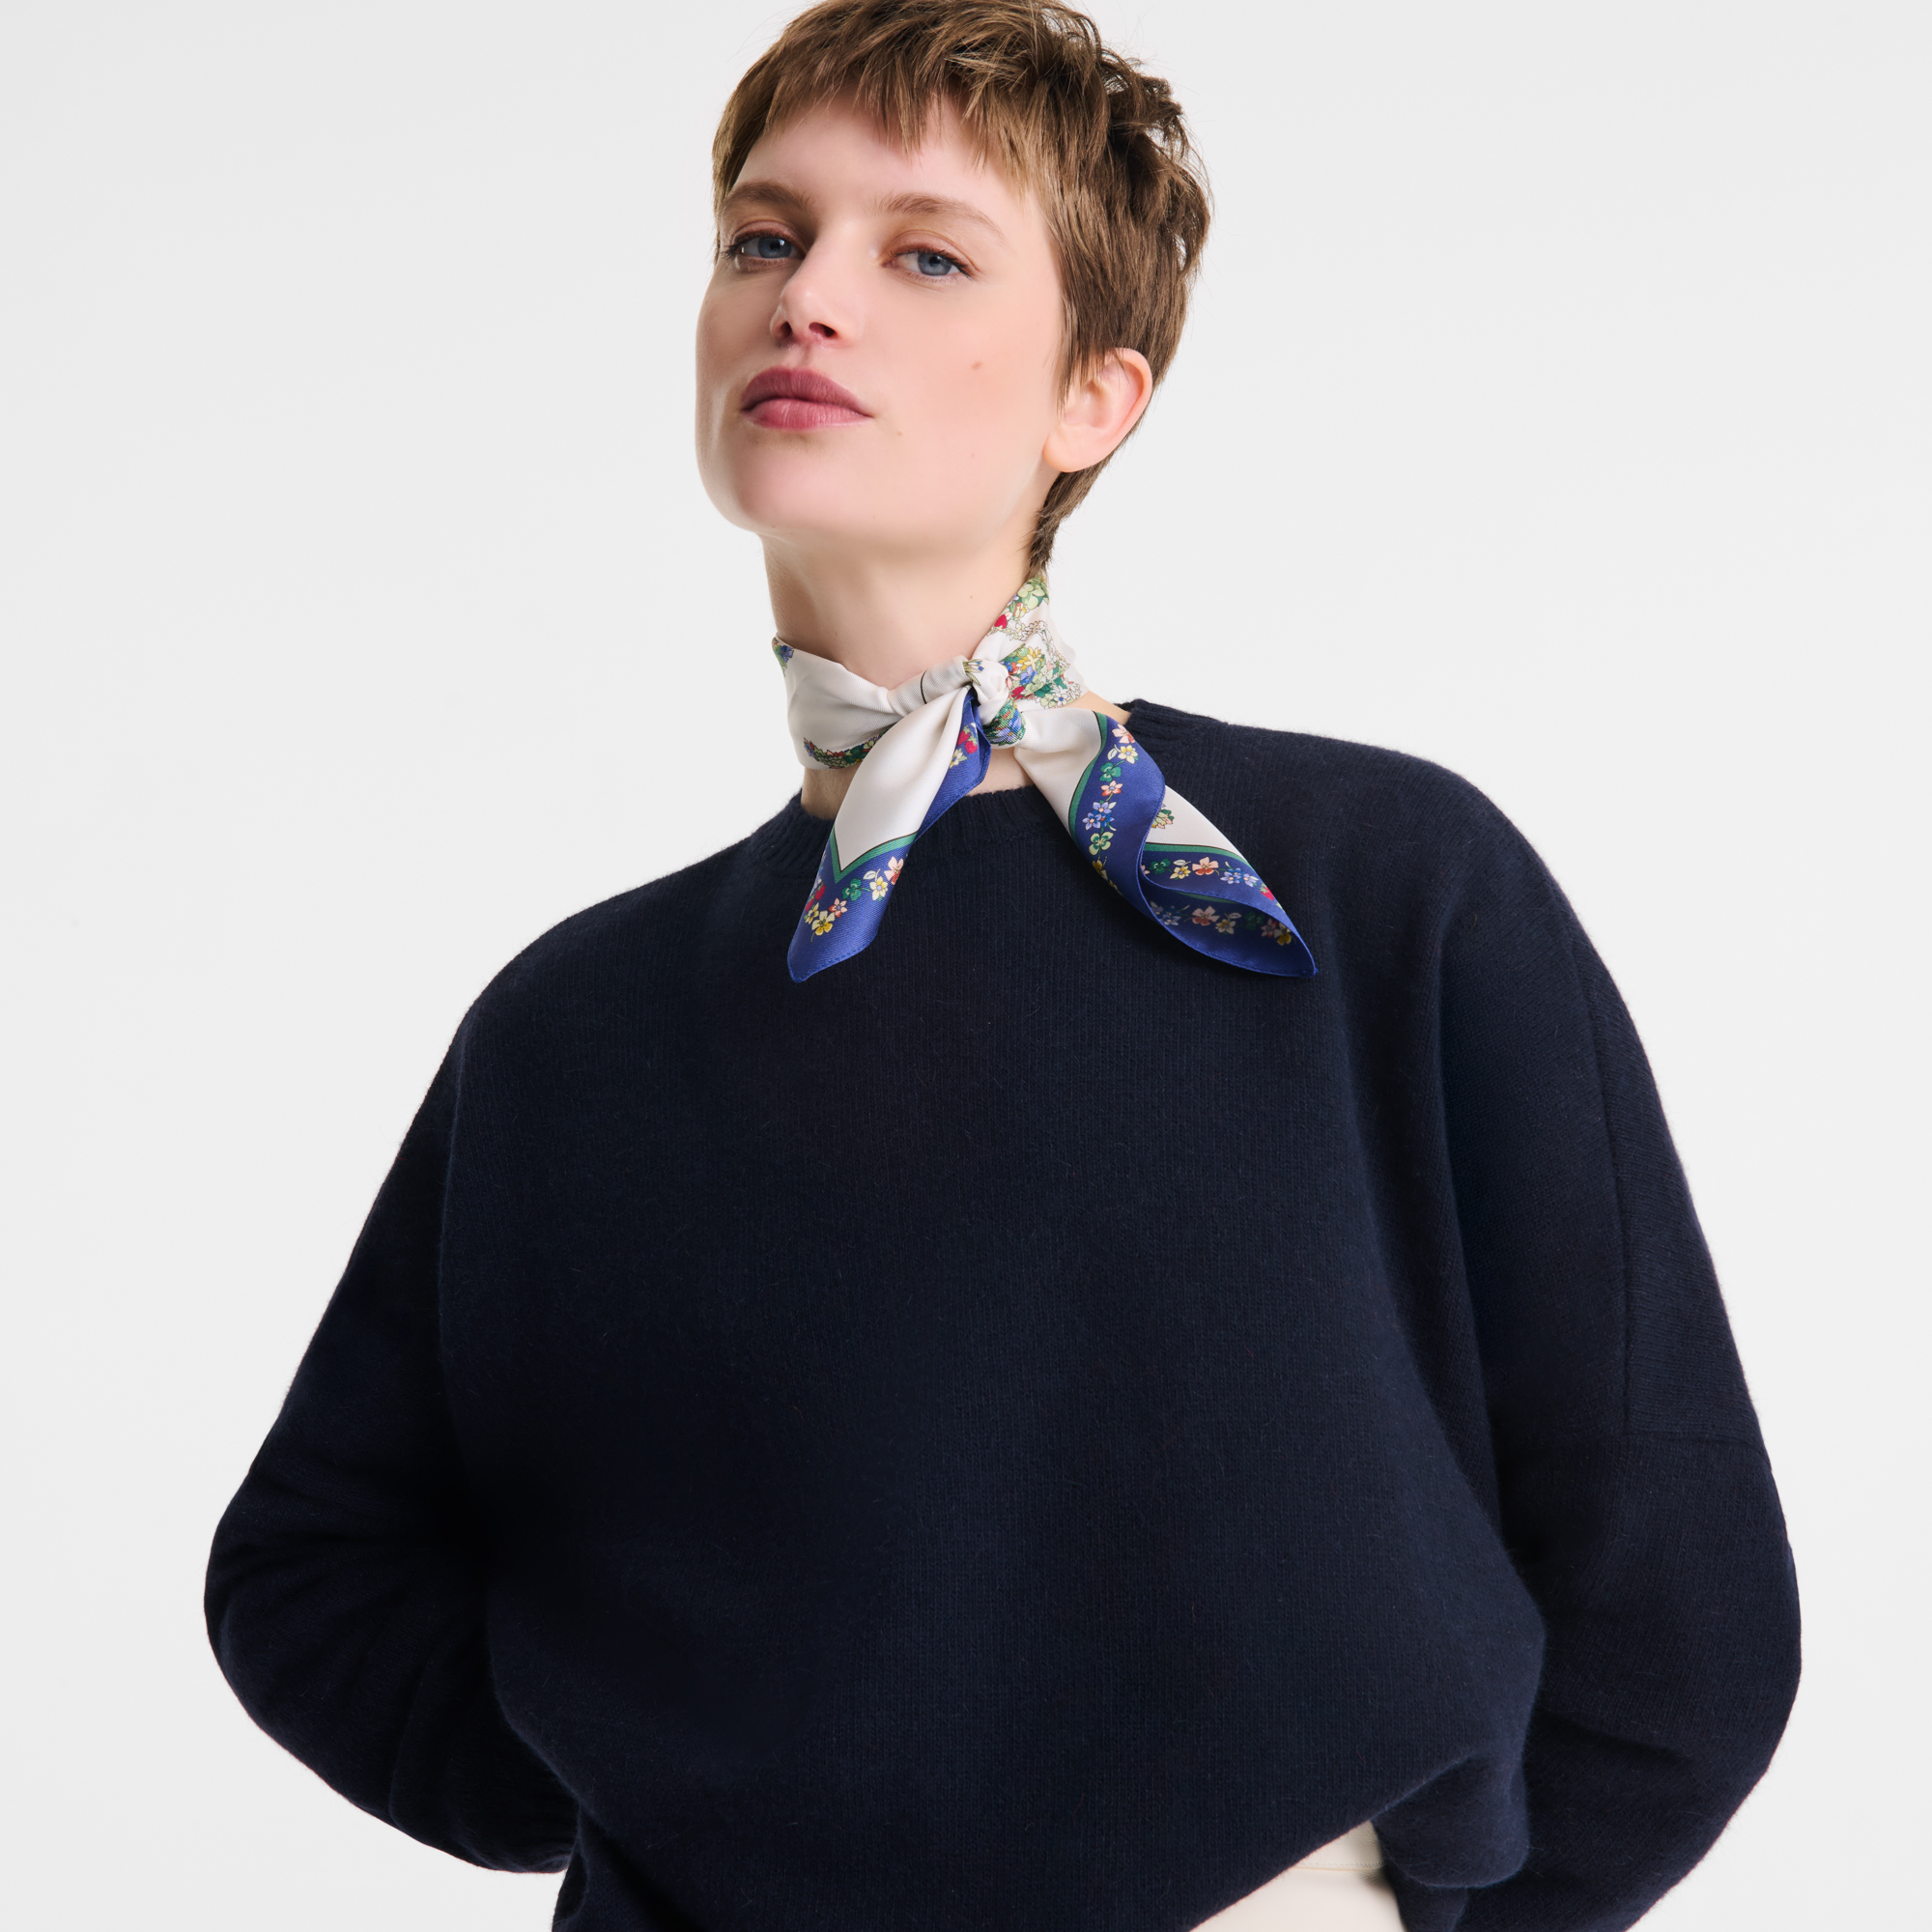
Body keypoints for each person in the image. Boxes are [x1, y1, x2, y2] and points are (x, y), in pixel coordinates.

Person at [204, 4, 1801, 1928]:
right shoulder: (578, 1023)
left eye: (928, 255)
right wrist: (673, 1791)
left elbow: (1676, 1590)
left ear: (1094, 400)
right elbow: (313, 1566)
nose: (809, 298)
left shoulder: (1372, 887)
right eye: (765, 236)